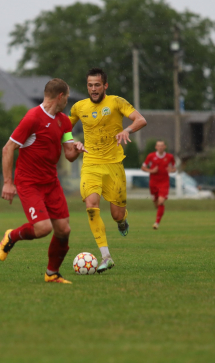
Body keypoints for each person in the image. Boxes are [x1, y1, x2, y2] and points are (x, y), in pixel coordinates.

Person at [0, 78, 87, 284]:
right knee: (43, 228)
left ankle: (52, 273)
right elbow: (8, 148)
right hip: (29, 182)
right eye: (67, 97)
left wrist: (78, 150)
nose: (68, 102)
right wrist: (7, 182)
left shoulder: (64, 121)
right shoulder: (32, 118)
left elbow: (69, 154)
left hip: (51, 182)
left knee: (64, 229)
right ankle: (12, 236)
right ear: (60, 96)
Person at [69, 67, 147, 273]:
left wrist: (127, 130)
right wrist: (73, 142)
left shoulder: (116, 102)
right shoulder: (78, 107)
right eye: (90, 85)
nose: (93, 89)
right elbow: (63, 129)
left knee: (116, 214)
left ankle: (122, 221)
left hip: (113, 165)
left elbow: (141, 119)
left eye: (97, 85)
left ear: (105, 86)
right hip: (91, 163)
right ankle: (106, 256)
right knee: (91, 205)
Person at [141, 140, 176, 230]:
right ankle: (158, 210)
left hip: (164, 182)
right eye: (158, 146)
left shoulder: (170, 157)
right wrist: (151, 171)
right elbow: (143, 167)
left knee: (161, 202)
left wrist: (171, 170)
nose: (160, 147)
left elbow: (174, 168)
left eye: (162, 146)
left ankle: (156, 223)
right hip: (153, 183)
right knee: (156, 203)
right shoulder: (151, 156)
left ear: (165, 147)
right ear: (156, 147)